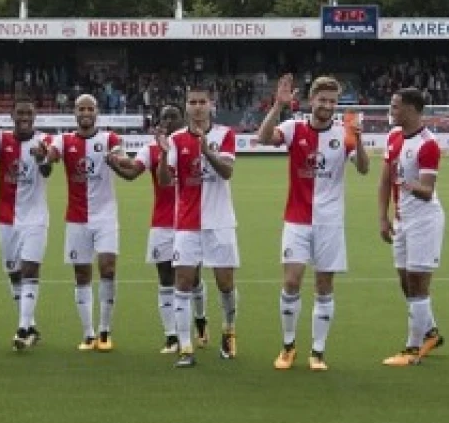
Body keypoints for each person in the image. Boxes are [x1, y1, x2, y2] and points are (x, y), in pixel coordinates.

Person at [257, 74, 369, 371]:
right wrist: (277, 107)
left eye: (333, 101)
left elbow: (364, 168)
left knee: (324, 285)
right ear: (311, 100)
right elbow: (263, 138)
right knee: (291, 281)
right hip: (297, 219)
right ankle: (288, 345)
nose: (327, 105)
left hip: (330, 222)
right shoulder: (294, 127)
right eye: (322, 100)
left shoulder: (344, 132)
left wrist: (358, 137)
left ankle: (318, 352)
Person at [46, 94, 135, 352]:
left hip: (106, 216)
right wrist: (44, 155)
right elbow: (50, 155)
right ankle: (88, 333)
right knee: (82, 274)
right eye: (81, 109)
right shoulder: (64, 140)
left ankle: (105, 331)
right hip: (77, 218)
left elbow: (124, 157)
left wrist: (118, 160)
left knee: (108, 269)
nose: (86, 113)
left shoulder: (109, 139)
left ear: (96, 112)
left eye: (90, 109)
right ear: (74, 112)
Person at [159, 85, 240, 368]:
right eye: (192, 102)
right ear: (186, 106)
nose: (197, 107)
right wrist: (161, 155)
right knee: (182, 281)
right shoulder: (176, 139)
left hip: (219, 222)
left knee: (225, 283)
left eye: (201, 102)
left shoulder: (225, 135)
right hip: (187, 224)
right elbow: (167, 181)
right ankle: (185, 347)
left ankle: (229, 331)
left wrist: (206, 151)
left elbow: (227, 172)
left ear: (211, 104)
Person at [0, 96, 53, 351]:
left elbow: (47, 172)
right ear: (12, 116)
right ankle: (31, 325)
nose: (24, 118)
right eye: (20, 113)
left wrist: (42, 158)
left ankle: (22, 329)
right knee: (14, 273)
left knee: (30, 270)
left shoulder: (44, 140)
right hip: (6, 217)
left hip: (36, 218)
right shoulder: (0, 137)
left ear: (34, 115)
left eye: (28, 113)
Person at [379, 88, 447, 367]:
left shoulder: (427, 145)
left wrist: (405, 183)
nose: (391, 111)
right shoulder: (393, 138)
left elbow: (427, 190)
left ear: (411, 109)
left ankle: (412, 349)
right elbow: (384, 181)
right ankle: (430, 331)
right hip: (402, 220)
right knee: (406, 283)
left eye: (396, 107)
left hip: (424, 221)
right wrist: (382, 218)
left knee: (418, 284)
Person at [117, 105, 191, 353]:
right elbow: (131, 173)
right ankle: (171, 336)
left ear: (183, 119)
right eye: (165, 117)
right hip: (161, 223)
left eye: (174, 116)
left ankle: (198, 324)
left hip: (189, 223)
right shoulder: (150, 149)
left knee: (191, 280)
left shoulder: (192, 146)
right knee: (166, 279)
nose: (169, 121)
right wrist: (114, 162)